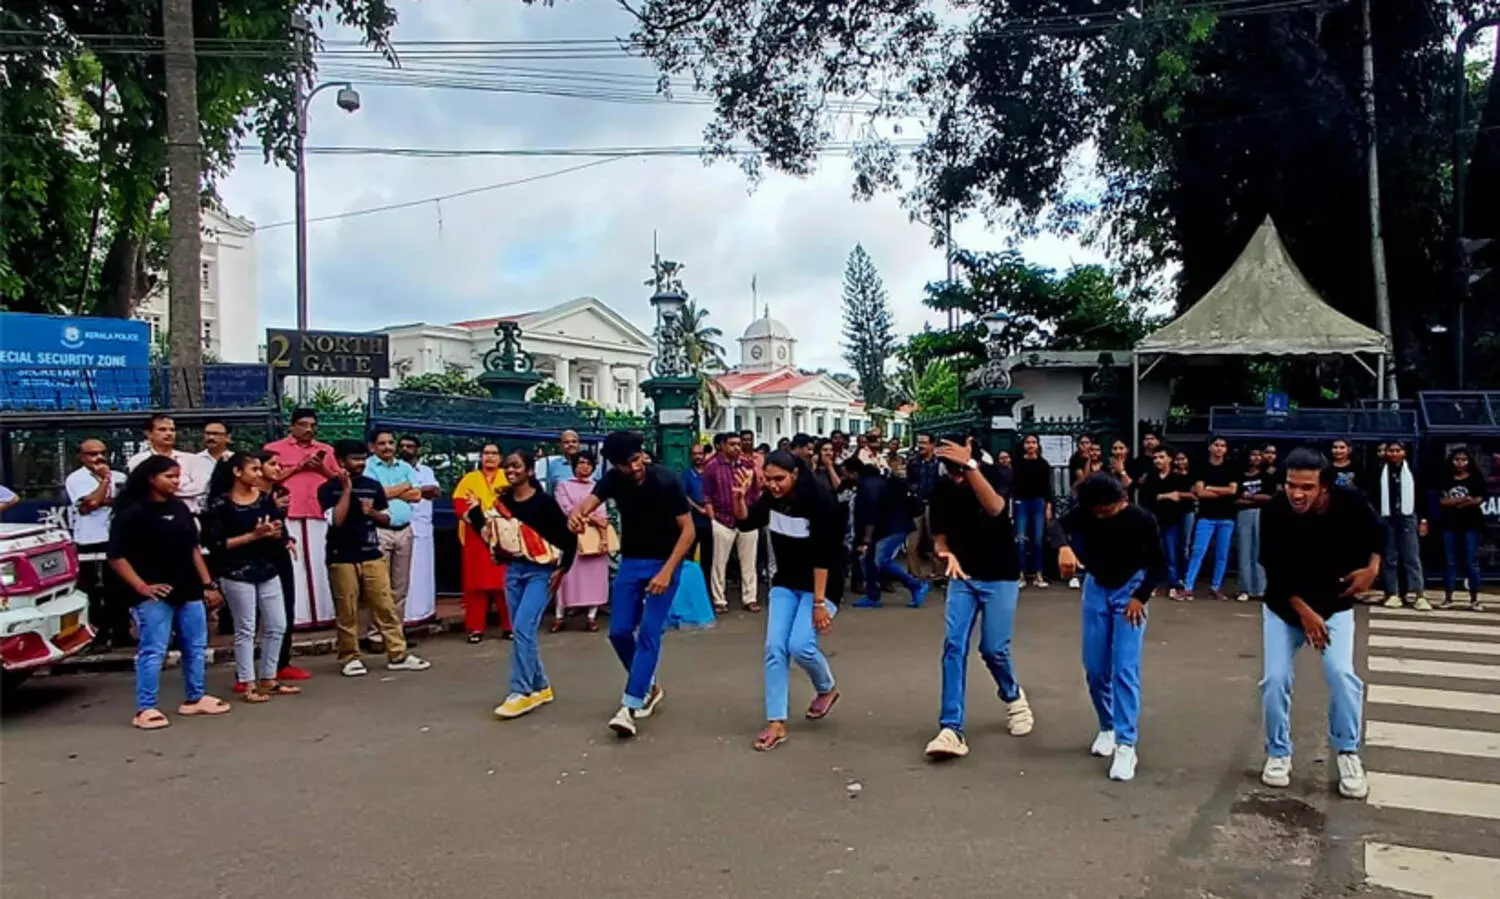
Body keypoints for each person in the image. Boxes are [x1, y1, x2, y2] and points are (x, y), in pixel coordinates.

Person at [1257, 448, 1381, 800]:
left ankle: (1347, 752)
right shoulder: (1274, 511)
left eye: (1307, 487)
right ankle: (1278, 752)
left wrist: (1372, 569)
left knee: (1343, 676)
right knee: (1274, 679)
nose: (1297, 494)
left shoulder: (1351, 504)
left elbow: (1378, 534)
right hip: (1285, 607)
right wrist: (1305, 613)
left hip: (1335, 606)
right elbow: (1273, 570)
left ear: (1324, 486)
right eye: (1291, 485)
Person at [567, 431, 695, 738]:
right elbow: (588, 503)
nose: (635, 467)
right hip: (631, 563)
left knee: (650, 632)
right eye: (627, 464)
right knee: (619, 631)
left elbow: (688, 531)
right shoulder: (613, 479)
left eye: (637, 460)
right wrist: (576, 514)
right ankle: (648, 686)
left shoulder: (666, 481)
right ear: (615, 465)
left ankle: (629, 705)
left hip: (665, 564)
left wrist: (666, 572)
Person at [924, 439, 1034, 760]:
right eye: (950, 468)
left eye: (958, 467)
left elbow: (995, 507)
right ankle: (951, 728)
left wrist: (970, 467)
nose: (955, 474)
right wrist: (945, 557)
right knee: (953, 645)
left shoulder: (997, 474)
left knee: (993, 648)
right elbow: (939, 537)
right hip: (964, 577)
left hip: (1001, 575)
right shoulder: (943, 488)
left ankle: (1013, 696)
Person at [1054, 473, 1164, 782]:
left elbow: (1160, 564)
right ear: (1096, 508)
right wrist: (1064, 547)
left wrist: (1140, 597)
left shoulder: (1141, 519)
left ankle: (1127, 745)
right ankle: (1108, 726)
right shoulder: (1086, 512)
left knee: (1124, 668)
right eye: (1110, 506)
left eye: (1120, 502)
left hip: (1131, 589)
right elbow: (1057, 525)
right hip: (1096, 587)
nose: (1118, 508)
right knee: (1095, 668)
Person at [107, 455, 230, 729]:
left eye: (177, 476)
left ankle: (195, 698)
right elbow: (116, 557)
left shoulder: (181, 509)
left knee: (196, 646)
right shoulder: (132, 512)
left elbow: (193, 549)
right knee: (154, 650)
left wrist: (208, 585)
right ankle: (146, 708)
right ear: (151, 478)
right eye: (169, 476)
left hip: (189, 589)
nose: (176, 482)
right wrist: (141, 586)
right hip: (154, 594)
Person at [732, 449, 843, 751]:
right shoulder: (771, 499)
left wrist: (820, 604)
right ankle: (776, 723)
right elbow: (745, 523)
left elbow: (824, 554)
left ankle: (826, 688)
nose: (773, 485)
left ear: (795, 474)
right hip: (786, 582)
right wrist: (741, 498)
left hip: (822, 584)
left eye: (779, 479)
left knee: (801, 645)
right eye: (767, 479)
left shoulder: (820, 501)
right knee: (774, 647)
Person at [475, 451, 577, 720]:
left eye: (516, 466)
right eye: (507, 467)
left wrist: (563, 569)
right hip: (513, 570)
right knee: (525, 631)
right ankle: (540, 686)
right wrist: (475, 514)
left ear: (529, 471)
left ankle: (520, 691)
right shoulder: (502, 502)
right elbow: (490, 534)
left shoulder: (544, 502)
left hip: (541, 572)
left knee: (522, 627)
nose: (510, 471)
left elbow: (569, 537)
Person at [318, 440, 432, 677]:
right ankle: (350, 656)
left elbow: (387, 519)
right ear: (340, 461)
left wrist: (373, 513)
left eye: (362, 459)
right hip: (341, 555)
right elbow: (336, 521)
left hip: (371, 552)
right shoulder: (328, 488)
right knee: (347, 608)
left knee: (385, 604)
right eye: (354, 459)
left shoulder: (373, 486)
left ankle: (397, 654)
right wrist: (347, 490)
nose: (359, 464)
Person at [201, 453, 298, 702]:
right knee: (246, 628)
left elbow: (277, 530)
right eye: (254, 469)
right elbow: (217, 544)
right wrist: (252, 536)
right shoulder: (220, 504)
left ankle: (269, 677)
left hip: (267, 566)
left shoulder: (265, 499)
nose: (259, 474)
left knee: (277, 625)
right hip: (236, 571)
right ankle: (247, 683)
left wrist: (274, 533)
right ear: (237, 472)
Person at [263, 409, 341, 626]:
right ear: (292, 426)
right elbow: (270, 478)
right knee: (293, 565)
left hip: (317, 510)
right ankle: (295, 616)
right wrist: (300, 466)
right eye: (303, 424)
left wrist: (321, 468)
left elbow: (337, 480)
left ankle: (324, 615)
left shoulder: (326, 450)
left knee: (319, 562)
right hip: (289, 510)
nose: (309, 429)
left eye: (312, 425)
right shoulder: (274, 449)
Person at [66, 439, 129, 648]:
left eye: (102, 453)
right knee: (92, 589)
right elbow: (89, 505)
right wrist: (104, 481)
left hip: (115, 537)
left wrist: (103, 498)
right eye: (92, 454)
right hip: (89, 540)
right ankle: (97, 635)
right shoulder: (76, 479)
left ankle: (122, 633)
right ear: (82, 457)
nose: (99, 458)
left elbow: (123, 502)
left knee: (118, 588)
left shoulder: (120, 477)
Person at [452, 445, 514, 643]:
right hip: (475, 537)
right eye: (486, 453)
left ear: (500, 457)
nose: (490, 457)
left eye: (494, 454)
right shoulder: (469, 479)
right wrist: (478, 519)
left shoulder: (509, 477)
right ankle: (475, 628)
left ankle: (510, 627)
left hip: (505, 535)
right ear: (481, 456)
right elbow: (460, 505)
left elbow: (519, 502)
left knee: (506, 584)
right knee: (475, 585)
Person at [255, 451, 309, 682]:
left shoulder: (277, 493)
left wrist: (287, 539)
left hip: (279, 554)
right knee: (253, 617)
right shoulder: (248, 496)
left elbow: (280, 524)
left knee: (286, 607)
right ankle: (246, 673)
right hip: (255, 557)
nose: (277, 469)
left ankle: (281, 663)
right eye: (271, 464)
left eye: (279, 464)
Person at [851, 451, 928, 609]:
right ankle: (872, 596)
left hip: (892, 528)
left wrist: (866, 539)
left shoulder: (868, 485)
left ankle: (915, 585)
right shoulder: (874, 482)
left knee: (880, 561)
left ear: (853, 472)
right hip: (887, 528)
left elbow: (871, 512)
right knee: (868, 561)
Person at [365, 430, 422, 631]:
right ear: (373, 447)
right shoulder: (368, 466)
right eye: (382, 443)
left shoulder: (404, 466)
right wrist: (402, 487)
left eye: (390, 442)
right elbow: (374, 495)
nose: (388, 447)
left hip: (404, 531)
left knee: (400, 586)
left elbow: (416, 495)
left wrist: (389, 492)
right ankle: (376, 633)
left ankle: (395, 632)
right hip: (380, 531)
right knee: (379, 585)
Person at [703, 432, 762, 614]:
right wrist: (713, 519)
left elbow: (756, 492)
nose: (736, 447)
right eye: (732, 444)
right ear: (723, 446)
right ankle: (719, 600)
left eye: (738, 444)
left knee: (749, 562)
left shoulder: (748, 465)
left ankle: (750, 598)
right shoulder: (712, 466)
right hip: (723, 519)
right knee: (720, 563)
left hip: (747, 518)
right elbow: (707, 496)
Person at [553, 452, 611, 631]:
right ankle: (559, 616)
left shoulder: (598, 487)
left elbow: (603, 514)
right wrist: (592, 518)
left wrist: (602, 534)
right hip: (570, 536)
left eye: (588, 463)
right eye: (581, 463)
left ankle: (591, 617)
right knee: (566, 577)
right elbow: (567, 509)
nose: (584, 466)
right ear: (574, 466)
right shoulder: (563, 486)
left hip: (594, 537)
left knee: (595, 576)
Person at [1377, 442, 1430, 610]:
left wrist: (1423, 520)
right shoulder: (1379, 471)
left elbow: (1423, 496)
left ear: (1404, 452)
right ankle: (1392, 593)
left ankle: (1419, 594)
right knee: (1390, 557)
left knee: (1411, 557)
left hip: (1408, 517)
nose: (1394, 454)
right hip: (1387, 517)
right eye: (1391, 451)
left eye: (1397, 450)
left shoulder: (1414, 470)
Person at [1184, 436, 1238, 600]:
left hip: (1227, 517)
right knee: (1198, 551)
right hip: (1206, 516)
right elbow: (1200, 493)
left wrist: (1211, 488)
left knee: (1222, 554)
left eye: (1223, 445)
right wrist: (1223, 491)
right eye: (1216, 445)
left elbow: (1233, 491)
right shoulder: (1201, 467)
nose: (1219, 448)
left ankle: (1215, 587)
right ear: (1210, 447)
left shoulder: (1231, 467)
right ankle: (1188, 586)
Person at [1436, 447, 1487, 611]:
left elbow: (1478, 499)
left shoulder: (1476, 478)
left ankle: (1474, 599)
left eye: (1463, 459)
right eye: (1457, 459)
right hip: (1449, 525)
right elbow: (1442, 501)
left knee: (1470, 563)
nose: (1460, 463)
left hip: (1470, 525)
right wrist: (1465, 500)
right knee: (1450, 562)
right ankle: (1448, 597)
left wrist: (1458, 502)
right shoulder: (1444, 478)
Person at [1137, 447, 1191, 600]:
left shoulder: (1177, 478)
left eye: (1161, 457)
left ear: (1169, 459)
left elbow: (1179, 500)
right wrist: (1164, 496)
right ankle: (1153, 584)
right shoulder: (1150, 477)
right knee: (1152, 554)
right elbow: (1145, 499)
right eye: (1155, 458)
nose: (1158, 461)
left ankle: (1174, 585)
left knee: (1171, 554)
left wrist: (1162, 498)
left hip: (1171, 522)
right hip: (1153, 522)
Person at [397, 435, 441, 625]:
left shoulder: (425, 470)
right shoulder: (394, 470)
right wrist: (421, 491)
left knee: (422, 573)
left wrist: (410, 492)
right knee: (401, 575)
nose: (406, 449)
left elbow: (436, 492)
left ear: (418, 449)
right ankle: (402, 618)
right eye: (402, 446)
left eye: (410, 446)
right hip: (400, 526)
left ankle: (423, 613)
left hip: (422, 527)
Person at [127, 413, 210, 512]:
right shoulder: (138, 460)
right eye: (162, 430)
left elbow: (202, 487)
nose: (169, 433)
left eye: (172, 430)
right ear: (149, 434)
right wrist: (183, 487)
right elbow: (139, 489)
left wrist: (163, 490)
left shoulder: (191, 459)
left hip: (188, 516)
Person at [1012, 435, 1053, 589]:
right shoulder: (1017, 463)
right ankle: (1020, 573)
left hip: (1038, 501)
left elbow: (1047, 487)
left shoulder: (1043, 464)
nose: (1031, 445)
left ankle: (1038, 573)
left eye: (1033, 442)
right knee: (1021, 538)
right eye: (1028, 442)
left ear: (1038, 445)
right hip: (1021, 501)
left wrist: (1048, 505)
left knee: (1037, 538)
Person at [1233, 446, 1268, 603]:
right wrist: (1255, 498)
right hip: (1244, 514)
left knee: (1260, 551)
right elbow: (1236, 499)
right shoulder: (1240, 475)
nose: (1256, 458)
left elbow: (1270, 497)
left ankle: (1260, 588)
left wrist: (1250, 497)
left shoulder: (1267, 476)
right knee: (1244, 551)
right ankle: (1245, 588)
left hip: (1262, 514)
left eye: (1258, 455)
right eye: (1253, 455)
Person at [906, 434, 942, 581]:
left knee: (936, 541)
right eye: (919, 442)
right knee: (912, 542)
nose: (921, 446)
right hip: (917, 504)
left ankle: (939, 574)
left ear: (932, 445)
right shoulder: (913, 462)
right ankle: (914, 575)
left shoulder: (939, 463)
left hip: (935, 505)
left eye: (924, 443)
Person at [683, 442, 715, 591]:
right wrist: (699, 508)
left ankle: (707, 588)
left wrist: (709, 508)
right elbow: (685, 496)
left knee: (708, 557)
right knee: (688, 555)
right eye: (695, 454)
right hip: (693, 519)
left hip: (710, 519)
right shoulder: (687, 474)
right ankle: (689, 588)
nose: (698, 457)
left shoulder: (710, 473)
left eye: (700, 454)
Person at [543, 430, 598, 495]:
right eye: (566, 442)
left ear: (579, 444)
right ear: (561, 445)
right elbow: (549, 492)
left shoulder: (592, 465)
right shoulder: (553, 466)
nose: (570, 444)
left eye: (574, 442)